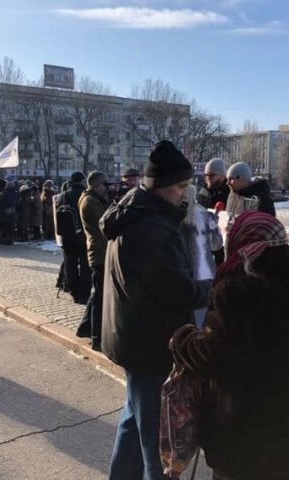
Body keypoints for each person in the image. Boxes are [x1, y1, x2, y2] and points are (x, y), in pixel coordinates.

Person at [171, 211, 289, 480]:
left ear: (239, 243)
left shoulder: (235, 290)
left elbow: (211, 355)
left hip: (243, 440)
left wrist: (183, 338)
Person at [100, 140, 211, 480]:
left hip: (134, 337)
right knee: (158, 442)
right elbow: (178, 290)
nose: (184, 193)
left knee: (134, 422)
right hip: (149, 344)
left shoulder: (138, 210)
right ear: (160, 186)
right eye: (180, 186)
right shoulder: (150, 227)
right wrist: (209, 286)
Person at [76, 171, 110, 351]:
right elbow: (106, 223)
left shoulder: (91, 198)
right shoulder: (90, 202)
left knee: (97, 293)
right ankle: (96, 337)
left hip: (99, 251)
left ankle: (85, 327)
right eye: (105, 185)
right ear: (97, 185)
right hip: (99, 253)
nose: (107, 188)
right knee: (99, 296)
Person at [181, 184, 221, 328]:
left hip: (187, 275)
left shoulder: (173, 218)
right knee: (205, 321)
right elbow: (217, 245)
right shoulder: (206, 215)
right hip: (208, 274)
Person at [55, 171, 91, 304]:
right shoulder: (85, 195)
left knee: (70, 265)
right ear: (82, 181)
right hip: (82, 235)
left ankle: (73, 292)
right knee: (85, 265)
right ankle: (84, 293)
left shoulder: (62, 196)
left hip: (66, 236)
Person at [0, 179, 17, 245]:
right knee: (11, 227)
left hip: (4, 212)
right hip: (12, 211)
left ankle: (4, 239)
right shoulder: (14, 193)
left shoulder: (2, 193)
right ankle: (10, 240)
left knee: (4, 227)